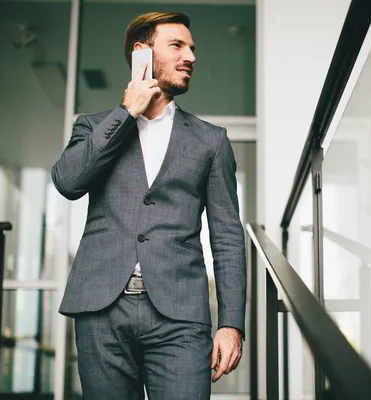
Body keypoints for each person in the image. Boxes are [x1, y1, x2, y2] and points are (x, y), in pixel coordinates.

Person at [51, 12, 246, 399]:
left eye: (192, 48)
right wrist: (126, 113)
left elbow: (227, 237)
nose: (190, 56)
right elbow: (68, 182)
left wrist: (231, 323)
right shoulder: (93, 126)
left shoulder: (211, 141)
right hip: (101, 310)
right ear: (142, 53)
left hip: (180, 316)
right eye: (177, 45)